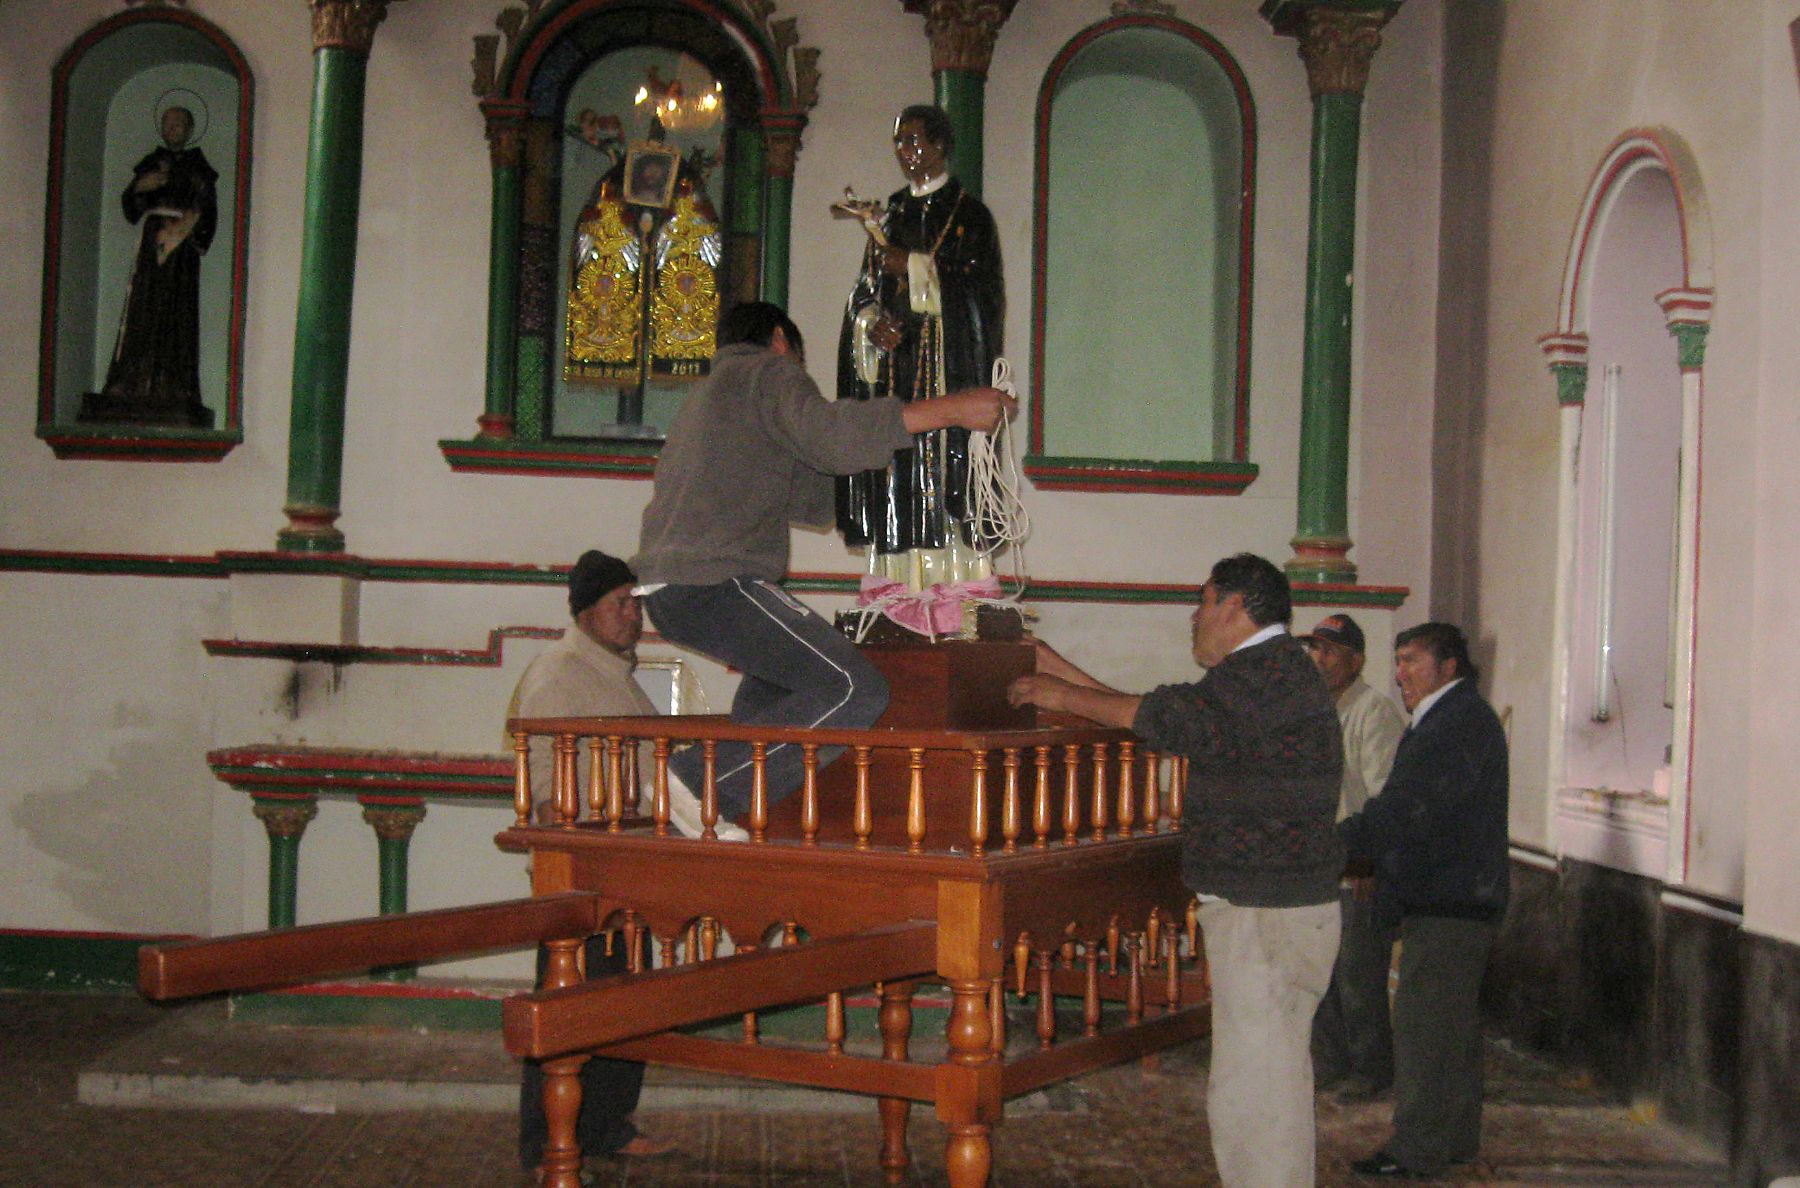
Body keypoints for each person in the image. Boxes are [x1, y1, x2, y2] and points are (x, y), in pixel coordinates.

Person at [1008, 553, 1344, 1187]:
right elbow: (1166, 720)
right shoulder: (1264, 674)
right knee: (1258, 1087)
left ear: (1236, 606)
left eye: (1204, 600)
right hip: (1270, 912)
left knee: (1258, 1100)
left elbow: (1163, 717)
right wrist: (1056, 669)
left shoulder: (1263, 675)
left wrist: (1055, 692)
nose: (1194, 615)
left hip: (1267, 915)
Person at [633, 301, 1013, 822]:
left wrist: (897, 492)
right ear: (782, 341)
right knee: (855, 689)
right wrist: (951, 409)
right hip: (713, 581)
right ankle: (696, 783)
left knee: (783, 692)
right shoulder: (764, 371)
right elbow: (830, 438)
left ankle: (721, 819)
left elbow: (814, 495)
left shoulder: (710, 396)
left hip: (674, 588)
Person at [508, 550, 691, 1177]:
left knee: (624, 1000)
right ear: (585, 612)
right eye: (620, 603)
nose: (633, 615)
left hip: (629, 865)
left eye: (636, 603)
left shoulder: (616, 677)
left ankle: (608, 1126)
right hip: (581, 868)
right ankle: (544, 1146)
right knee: (567, 1005)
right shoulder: (557, 675)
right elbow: (540, 781)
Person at [1340, 622, 1509, 1178]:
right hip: (1459, 895)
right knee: (1451, 1028)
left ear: (1449, 666)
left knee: (1423, 1029)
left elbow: (1405, 811)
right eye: (1398, 661)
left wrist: (1332, 844)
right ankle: (1454, 1138)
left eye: (1412, 660)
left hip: (1450, 899)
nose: (1400, 673)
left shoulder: (1454, 723)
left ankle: (1416, 1149)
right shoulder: (1450, 718)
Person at [836, 104, 1005, 588]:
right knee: (898, 476)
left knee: (948, 475)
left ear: (939, 145)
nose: (905, 152)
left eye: (913, 140)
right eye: (898, 142)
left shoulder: (970, 215)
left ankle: (956, 584)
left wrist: (910, 267)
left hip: (949, 370)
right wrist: (871, 326)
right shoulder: (889, 214)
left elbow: (980, 293)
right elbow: (864, 293)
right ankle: (898, 586)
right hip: (900, 375)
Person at [1302, 614, 1407, 1101]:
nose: (1318, 659)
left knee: (1358, 974)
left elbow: (1384, 797)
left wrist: (1368, 861)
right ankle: (1329, 1062)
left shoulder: (1373, 711)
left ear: (1356, 660)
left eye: (1330, 651)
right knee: (1319, 975)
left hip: (1356, 866)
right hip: (1316, 864)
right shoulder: (1312, 710)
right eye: (1314, 649)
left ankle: (1371, 1069)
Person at [80, 105, 217, 428]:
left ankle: (175, 384)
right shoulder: (152, 163)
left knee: (176, 311)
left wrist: (184, 227)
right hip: (151, 244)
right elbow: (131, 206)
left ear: (190, 128)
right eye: (168, 123)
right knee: (144, 307)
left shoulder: (199, 166)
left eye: (180, 123)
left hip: (180, 248)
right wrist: (142, 187)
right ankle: (132, 381)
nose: (173, 128)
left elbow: (208, 208)